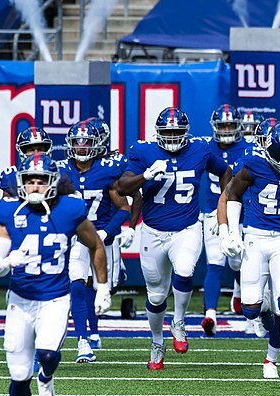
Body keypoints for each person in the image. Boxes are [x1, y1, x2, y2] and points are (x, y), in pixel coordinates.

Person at [0, 153, 109, 396]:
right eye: (29, 180)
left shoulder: (70, 209)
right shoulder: (8, 211)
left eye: (41, 180)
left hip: (55, 297)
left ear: (53, 182)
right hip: (20, 301)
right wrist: (8, 261)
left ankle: (46, 378)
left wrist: (103, 286)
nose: (35, 186)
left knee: (47, 354)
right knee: (18, 376)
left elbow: (95, 244)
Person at [116, 107, 231, 368]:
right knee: (156, 296)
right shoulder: (143, 151)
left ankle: (179, 321)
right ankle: (157, 341)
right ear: (158, 133)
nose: (171, 137)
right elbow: (122, 187)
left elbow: (225, 171)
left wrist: (222, 206)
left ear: (185, 132)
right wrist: (145, 176)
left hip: (186, 228)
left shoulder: (199, 149)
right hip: (153, 231)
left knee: (185, 270)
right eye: (166, 132)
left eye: (176, 132)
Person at [218, 123, 280, 388]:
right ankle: (264, 311)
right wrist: (231, 232)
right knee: (250, 309)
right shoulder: (254, 161)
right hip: (255, 237)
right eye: (279, 158)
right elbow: (232, 195)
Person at [60, 120, 130, 364]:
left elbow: (124, 208)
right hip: (76, 238)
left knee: (102, 290)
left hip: (102, 237)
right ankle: (83, 341)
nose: (81, 147)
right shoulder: (61, 171)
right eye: (77, 143)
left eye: (86, 142)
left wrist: (107, 232)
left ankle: (94, 331)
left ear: (97, 144)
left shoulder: (108, 169)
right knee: (77, 284)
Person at [200, 105, 248, 335]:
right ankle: (210, 314)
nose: (227, 130)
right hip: (212, 211)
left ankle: (240, 292)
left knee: (238, 262)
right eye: (223, 126)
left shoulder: (248, 149)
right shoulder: (205, 147)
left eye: (230, 125)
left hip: (240, 212)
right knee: (215, 262)